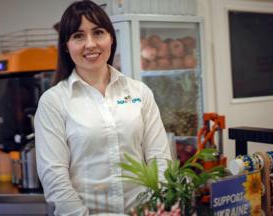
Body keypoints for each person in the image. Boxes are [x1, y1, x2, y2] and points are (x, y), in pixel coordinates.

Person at [34, 1, 171, 215]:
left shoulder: (139, 92)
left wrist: (159, 206)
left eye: (98, 33)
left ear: (111, 38)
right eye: (78, 36)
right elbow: (54, 176)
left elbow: (159, 157)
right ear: (66, 46)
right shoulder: (53, 101)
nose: (90, 44)